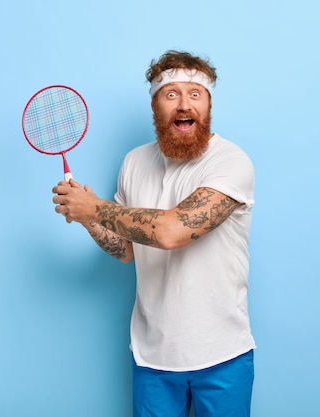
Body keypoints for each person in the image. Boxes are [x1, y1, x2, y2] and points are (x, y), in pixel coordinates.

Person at [52, 50, 256, 417]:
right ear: (155, 105)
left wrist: (95, 208)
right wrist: (85, 216)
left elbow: (171, 232)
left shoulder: (231, 162)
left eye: (195, 94)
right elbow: (127, 249)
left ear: (208, 105)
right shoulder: (134, 162)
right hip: (153, 358)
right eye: (171, 93)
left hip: (223, 353)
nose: (184, 104)